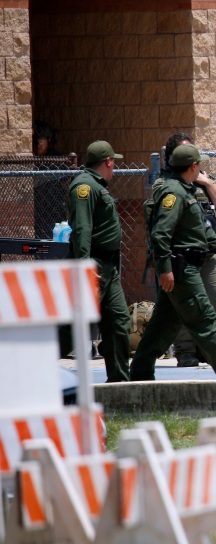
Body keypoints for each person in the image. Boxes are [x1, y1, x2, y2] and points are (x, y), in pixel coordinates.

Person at [130, 144, 216, 381]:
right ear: (193, 166)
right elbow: (160, 234)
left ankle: (140, 370)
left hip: (185, 266)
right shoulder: (174, 193)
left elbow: (202, 231)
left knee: (163, 325)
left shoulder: (184, 190)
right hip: (181, 269)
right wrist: (166, 270)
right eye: (199, 163)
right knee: (204, 317)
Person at [149, 132, 216, 367]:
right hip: (183, 256)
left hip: (209, 252)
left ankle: (205, 348)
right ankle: (185, 350)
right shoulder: (166, 185)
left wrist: (206, 183)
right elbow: (162, 228)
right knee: (184, 304)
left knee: (214, 299)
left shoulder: (203, 180)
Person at [66, 141, 131, 382]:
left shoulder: (96, 185)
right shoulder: (84, 186)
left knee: (119, 321)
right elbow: (82, 231)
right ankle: (34, 368)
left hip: (108, 269)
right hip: (93, 266)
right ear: (108, 161)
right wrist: (84, 270)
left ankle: (119, 381)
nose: (115, 166)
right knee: (71, 327)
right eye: (114, 161)